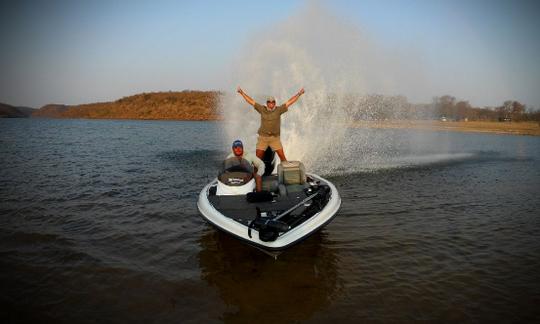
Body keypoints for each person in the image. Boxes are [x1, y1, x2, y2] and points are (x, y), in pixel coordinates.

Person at [237, 86, 305, 162]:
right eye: (269, 102)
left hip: (275, 138)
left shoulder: (279, 110)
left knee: (282, 157)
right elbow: (251, 101)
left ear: (275, 103)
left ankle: (286, 171)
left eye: (273, 102)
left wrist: (299, 94)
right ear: (267, 103)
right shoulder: (262, 109)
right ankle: (254, 173)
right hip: (263, 138)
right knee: (257, 159)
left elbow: (290, 102)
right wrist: (242, 93)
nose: (271, 103)